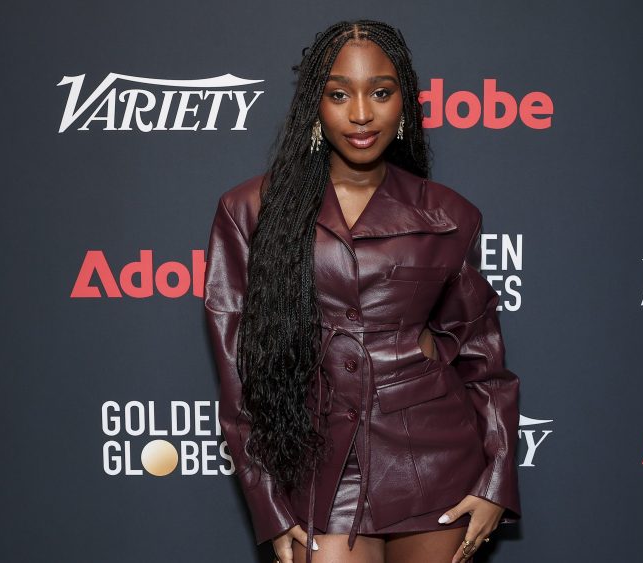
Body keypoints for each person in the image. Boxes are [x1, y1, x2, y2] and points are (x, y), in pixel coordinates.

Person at [204, 19, 520, 563]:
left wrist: (495, 480)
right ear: (314, 104)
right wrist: (270, 507)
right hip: (316, 466)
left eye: (380, 92)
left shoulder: (448, 214)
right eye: (338, 94)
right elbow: (239, 373)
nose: (360, 113)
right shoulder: (251, 210)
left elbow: (481, 360)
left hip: (437, 463)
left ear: (404, 102)